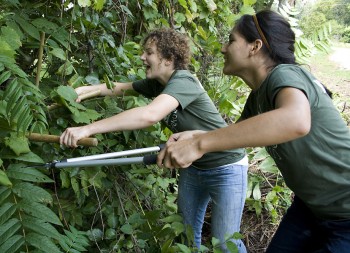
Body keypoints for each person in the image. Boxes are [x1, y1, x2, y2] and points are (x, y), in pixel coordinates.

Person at [158, 10, 350, 253]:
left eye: (231, 41)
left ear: (255, 46)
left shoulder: (285, 74)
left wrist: (199, 144)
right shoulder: (258, 96)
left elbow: (296, 121)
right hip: (310, 208)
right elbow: (234, 137)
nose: (223, 49)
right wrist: (195, 136)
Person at [59, 28, 248, 252]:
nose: (142, 57)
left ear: (168, 59)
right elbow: (119, 88)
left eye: (149, 52)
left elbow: (149, 115)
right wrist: (86, 90)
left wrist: (87, 129)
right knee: (186, 239)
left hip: (226, 166)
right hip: (193, 165)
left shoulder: (184, 81)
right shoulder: (159, 84)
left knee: (227, 244)